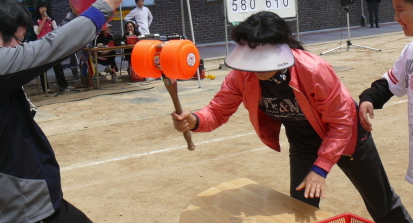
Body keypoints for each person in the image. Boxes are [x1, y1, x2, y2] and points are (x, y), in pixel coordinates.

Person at [171, 11, 412, 223]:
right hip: (303, 142)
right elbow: (217, 110)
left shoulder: (314, 70)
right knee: (300, 208)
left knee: (382, 205)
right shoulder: (242, 76)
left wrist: (321, 168)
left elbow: (342, 122)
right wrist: (195, 120)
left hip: (349, 141)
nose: (254, 67)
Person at [0, 0, 123, 223]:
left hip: (34, 205)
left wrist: (76, 14)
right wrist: (103, 7)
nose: (22, 48)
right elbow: (46, 49)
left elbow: (46, 48)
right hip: (19, 214)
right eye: (19, 40)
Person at [360, 0, 413, 186]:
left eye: (401, 10)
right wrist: (368, 98)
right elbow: (389, 84)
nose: (396, 18)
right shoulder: (410, 51)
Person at [34, 1, 69, 93]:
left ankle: (63, 85)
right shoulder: (36, 20)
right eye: (41, 8)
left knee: (57, 65)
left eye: (44, 7)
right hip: (41, 45)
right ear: (38, 10)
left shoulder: (51, 18)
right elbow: (37, 32)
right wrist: (44, 21)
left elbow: (56, 30)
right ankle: (46, 88)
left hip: (51, 43)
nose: (43, 9)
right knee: (43, 67)